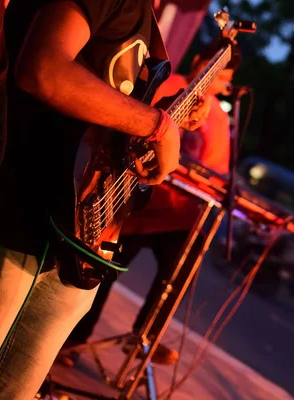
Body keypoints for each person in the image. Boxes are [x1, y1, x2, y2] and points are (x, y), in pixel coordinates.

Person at [0, 1, 208, 398]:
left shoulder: (143, 15)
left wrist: (163, 116)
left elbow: (102, 110)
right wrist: (156, 126)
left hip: (72, 238)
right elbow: (44, 69)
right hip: (14, 218)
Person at [59, 40, 241, 367]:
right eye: (218, 75)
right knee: (101, 271)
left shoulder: (216, 114)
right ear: (202, 61)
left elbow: (217, 168)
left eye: (224, 80)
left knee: (179, 273)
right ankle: (73, 337)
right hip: (143, 202)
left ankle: (145, 337)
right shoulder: (171, 86)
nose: (220, 85)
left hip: (183, 214)